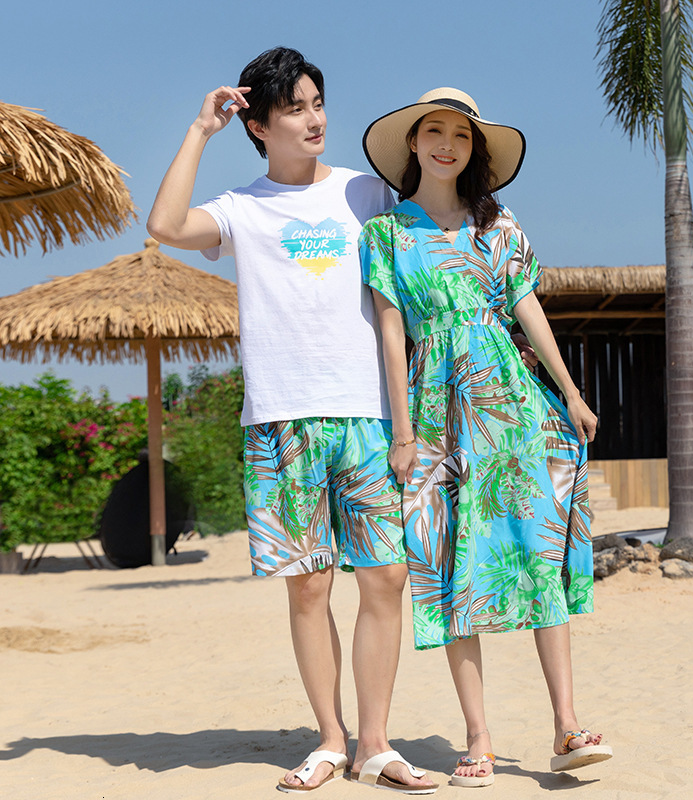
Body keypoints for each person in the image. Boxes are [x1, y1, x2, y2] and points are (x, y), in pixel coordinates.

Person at [147, 47, 437, 794]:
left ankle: (376, 741)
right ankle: (332, 739)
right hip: (279, 421)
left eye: (317, 102)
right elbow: (166, 223)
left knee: (386, 577)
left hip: (367, 417)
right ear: (261, 128)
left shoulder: (365, 193)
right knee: (308, 587)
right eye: (297, 109)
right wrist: (199, 130)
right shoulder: (242, 209)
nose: (316, 119)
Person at [359, 88, 613, 787]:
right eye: (433, 131)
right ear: (412, 143)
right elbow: (389, 333)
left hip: (509, 407)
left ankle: (567, 724)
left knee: (538, 554)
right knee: (446, 566)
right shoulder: (384, 235)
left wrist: (569, 389)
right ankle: (478, 734)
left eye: (461, 136)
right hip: (435, 416)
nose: (447, 143)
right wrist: (403, 431)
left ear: (474, 151)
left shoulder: (498, 225)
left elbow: (526, 306)